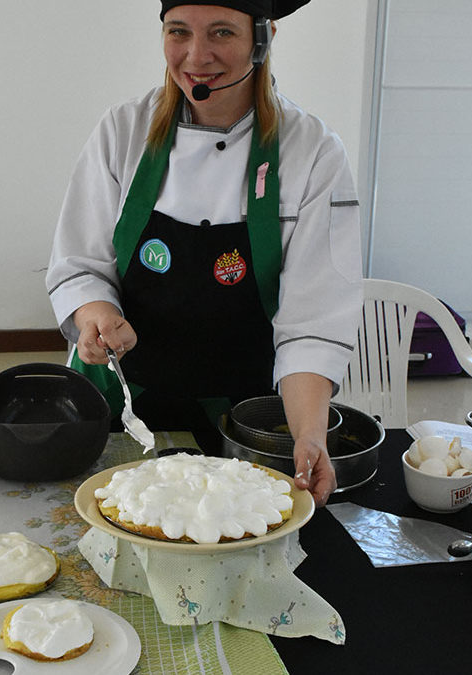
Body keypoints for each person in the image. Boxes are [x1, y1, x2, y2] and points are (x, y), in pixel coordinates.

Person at [46, 0, 362, 507]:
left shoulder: (312, 153)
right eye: (178, 32)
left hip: (244, 422)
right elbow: (81, 264)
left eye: (221, 33)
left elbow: (312, 323)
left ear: (264, 37)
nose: (197, 55)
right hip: (123, 406)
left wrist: (307, 435)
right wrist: (98, 315)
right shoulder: (123, 131)